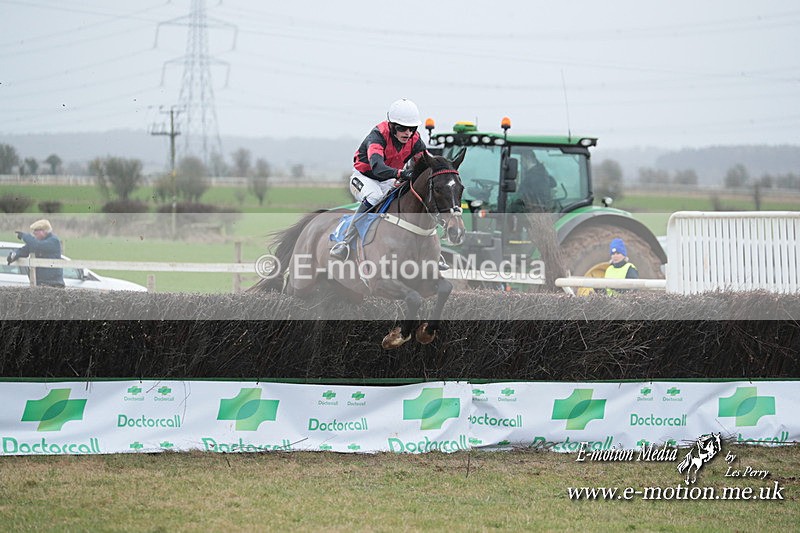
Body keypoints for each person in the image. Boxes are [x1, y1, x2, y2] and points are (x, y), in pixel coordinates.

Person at [330, 98, 427, 261]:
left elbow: (426, 161)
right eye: (402, 128)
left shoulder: (415, 139)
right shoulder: (378, 135)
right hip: (364, 177)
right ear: (391, 126)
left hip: (389, 179)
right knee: (374, 197)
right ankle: (345, 242)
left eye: (412, 128)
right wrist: (401, 174)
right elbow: (378, 167)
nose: (408, 133)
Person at [6, 219, 65, 288]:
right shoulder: (36, 242)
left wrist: (25, 236)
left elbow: (37, 245)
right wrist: (14, 255)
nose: (34, 233)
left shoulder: (53, 241)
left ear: (44, 231)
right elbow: (23, 251)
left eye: (36, 230)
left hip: (54, 284)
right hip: (40, 283)